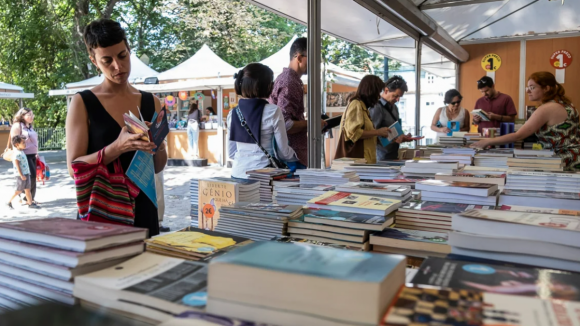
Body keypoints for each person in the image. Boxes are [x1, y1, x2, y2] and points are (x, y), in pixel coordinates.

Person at [66, 19, 166, 237]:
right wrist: (117, 148)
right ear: (94, 61)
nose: (118, 67)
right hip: (102, 210)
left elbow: (158, 166)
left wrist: (157, 145)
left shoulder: (152, 102)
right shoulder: (83, 102)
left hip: (144, 208)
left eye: (122, 56)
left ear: (129, 50)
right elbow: (73, 168)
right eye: (107, 60)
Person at [472, 72, 580, 171]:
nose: (528, 91)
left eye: (532, 87)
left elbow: (518, 136)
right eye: (527, 87)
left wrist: (487, 141)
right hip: (575, 157)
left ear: (546, 88)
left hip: (562, 161)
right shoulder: (568, 105)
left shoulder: (546, 108)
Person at [227, 63, 298, 179]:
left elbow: (231, 153)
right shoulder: (273, 111)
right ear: (267, 86)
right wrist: (298, 157)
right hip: (263, 175)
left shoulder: (232, 113)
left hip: (237, 174)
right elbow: (283, 152)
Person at [269, 37, 326, 169]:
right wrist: (313, 124)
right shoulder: (290, 82)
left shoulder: (286, 79)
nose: (315, 64)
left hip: (290, 154)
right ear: (299, 58)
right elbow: (285, 124)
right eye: (312, 59)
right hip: (291, 156)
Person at [334, 75, 393, 164]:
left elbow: (365, 133)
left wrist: (383, 135)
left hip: (365, 161)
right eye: (377, 92)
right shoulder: (356, 105)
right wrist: (378, 132)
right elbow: (353, 133)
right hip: (357, 162)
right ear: (371, 91)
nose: (379, 96)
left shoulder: (363, 107)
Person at [369, 75, 414, 161]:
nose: (397, 100)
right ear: (386, 90)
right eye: (395, 96)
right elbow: (372, 135)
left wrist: (402, 137)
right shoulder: (376, 107)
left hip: (393, 154)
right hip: (380, 156)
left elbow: (393, 130)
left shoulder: (394, 108)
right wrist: (392, 139)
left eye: (400, 97)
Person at [10, 107, 39, 204]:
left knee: (33, 176)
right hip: (23, 155)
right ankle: (25, 198)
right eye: (29, 115)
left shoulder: (29, 126)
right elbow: (14, 142)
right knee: (29, 176)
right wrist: (17, 156)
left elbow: (34, 141)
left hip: (32, 155)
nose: (32, 117)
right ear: (22, 116)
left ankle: (30, 198)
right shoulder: (18, 126)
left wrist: (36, 153)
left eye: (32, 114)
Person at [6, 135, 39, 209]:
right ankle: (9, 202)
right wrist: (21, 175)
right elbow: (17, 165)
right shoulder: (17, 154)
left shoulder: (22, 151)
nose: (25, 144)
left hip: (26, 174)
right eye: (23, 143)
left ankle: (30, 204)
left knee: (28, 189)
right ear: (17, 144)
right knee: (18, 190)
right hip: (20, 175)